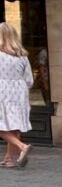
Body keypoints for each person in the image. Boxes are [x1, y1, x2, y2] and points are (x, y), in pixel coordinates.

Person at [0, 23, 33, 168]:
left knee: (2, 126)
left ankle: (22, 147)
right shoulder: (23, 56)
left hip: (2, 90)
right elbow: (29, 80)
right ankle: (8, 159)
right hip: (20, 92)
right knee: (14, 126)